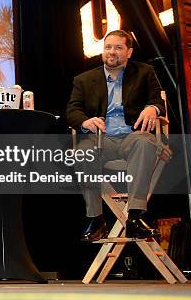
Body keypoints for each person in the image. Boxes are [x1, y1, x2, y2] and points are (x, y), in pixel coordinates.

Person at [66, 29, 165, 242]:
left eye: (118, 47)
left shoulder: (144, 72)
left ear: (129, 52)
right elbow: (72, 111)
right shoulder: (84, 79)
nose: (112, 52)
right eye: (108, 47)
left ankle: (136, 216)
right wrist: (85, 122)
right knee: (82, 153)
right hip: (102, 140)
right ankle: (96, 218)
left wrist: (152, 108)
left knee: (145, 144)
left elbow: (158, 101)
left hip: (133, 136)